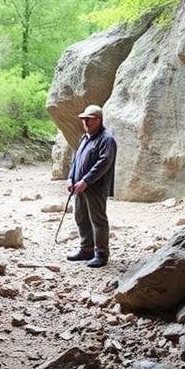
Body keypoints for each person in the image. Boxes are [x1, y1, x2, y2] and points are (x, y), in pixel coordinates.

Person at [65, 104, 117, 268]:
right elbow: (76, 159)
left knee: (98, 220)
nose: (85, 122)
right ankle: (86, 249)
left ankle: (101, 254)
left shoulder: (107, 139)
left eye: (89, 119)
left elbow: (104, 163)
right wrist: (71, 178)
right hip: (79, 186)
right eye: (83, 120)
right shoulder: (85, 137)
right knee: (81, 217)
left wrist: (86, 181)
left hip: (95, 188)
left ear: (99, 120)